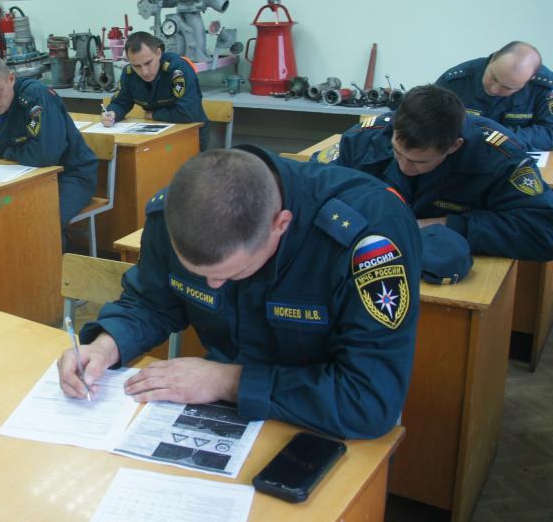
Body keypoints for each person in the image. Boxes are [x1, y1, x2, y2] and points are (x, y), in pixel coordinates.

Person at [58, 147, 421, 440]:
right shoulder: (178, 210)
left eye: (231, 274)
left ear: (281, 224)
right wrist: (105, 346)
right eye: (199, 275)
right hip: (223, 411)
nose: (213, 284)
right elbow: (151, 302)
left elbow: (368, 399)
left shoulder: (368, 235)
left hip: (321, 423)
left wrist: (227, 381)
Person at [319, 84, 553, 262]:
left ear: (454, 146)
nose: (405, 167)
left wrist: (447, 225)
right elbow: (313, 190)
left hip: (451, 263)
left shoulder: (499, 158)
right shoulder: (363, 139)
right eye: (398, 153)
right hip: (366, 255)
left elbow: (544, 231)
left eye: (419, 161)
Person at [0, 55, 97, 227]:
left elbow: (45, 155)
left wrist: (8, 152)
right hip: (21, 176)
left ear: (11, 79)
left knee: (43, 221)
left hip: (70, 175)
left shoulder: (36, 97)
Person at [435, 41, 553, 150]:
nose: (494, 89)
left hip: (515, 152)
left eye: (507, 87)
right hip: (464, 152)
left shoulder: (545, 87)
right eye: (494, 77)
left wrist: (498, 139)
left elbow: (549, 131)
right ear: (493, 58)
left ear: (529, 80)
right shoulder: (454, 81)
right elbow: (431, 123)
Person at [102, 32, 210, 149]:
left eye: (148, 63)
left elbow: (187, 113)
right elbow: (121, 102)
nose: (144, 72)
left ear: (158, 53)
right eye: (136, 66)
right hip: (154, 134)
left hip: (190, 134)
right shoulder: (129, 74)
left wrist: (154, 115)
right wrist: (112, 113)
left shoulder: (178, 70)